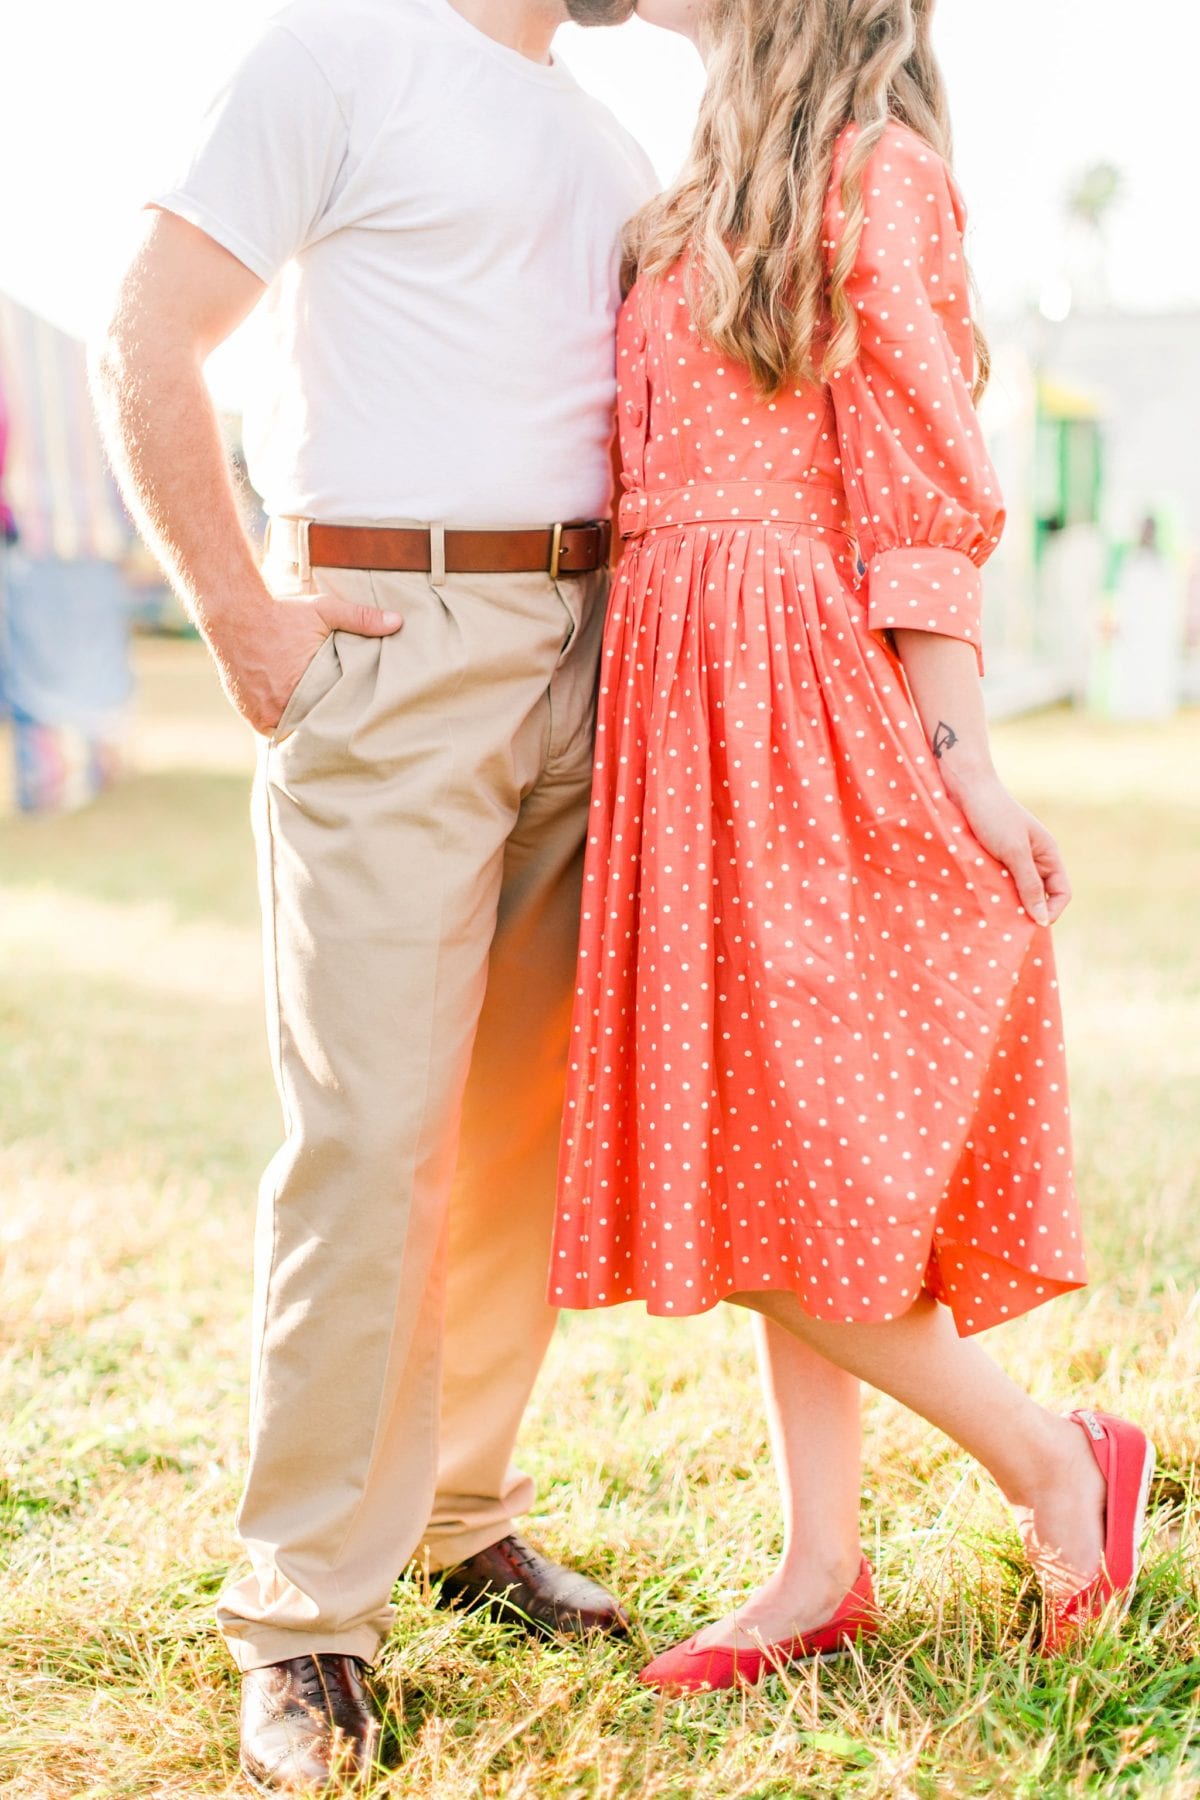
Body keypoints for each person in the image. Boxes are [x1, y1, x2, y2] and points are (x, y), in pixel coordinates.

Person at [552, 0, 1155, 1692]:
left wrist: (963, 760)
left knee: (774, 1143)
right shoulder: (697, 185)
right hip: (682, 692)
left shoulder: (877, 173)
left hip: (795, 697)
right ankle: (821, 1562)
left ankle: (1055, 1462)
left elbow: (916, 494)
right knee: (745, 1123)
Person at [92, 0, 653, 1785]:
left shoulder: (608, 136)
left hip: (595, 639)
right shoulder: (334, 54)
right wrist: (239, 617)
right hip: (395, 637)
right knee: (370, 1140)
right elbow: (148, 333)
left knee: (514, 1133)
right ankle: (303, 1618)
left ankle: (459, 1513)